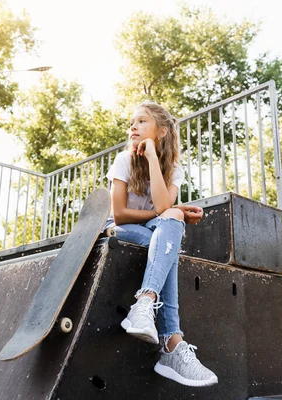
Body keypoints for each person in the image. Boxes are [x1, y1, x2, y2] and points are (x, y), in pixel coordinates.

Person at [104, 100, 218, 387]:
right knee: (171, 224)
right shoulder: (124, 161)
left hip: (153, 229)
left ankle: (145, 303)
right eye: (132, 121)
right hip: (118, 229)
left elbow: (166, 205)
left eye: (142, 121)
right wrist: (165, 213)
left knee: (172, 219)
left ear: (162, 132)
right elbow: (119, 214)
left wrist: (153, 158)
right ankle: (171, 342)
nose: (133, 126)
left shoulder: (174, 169)